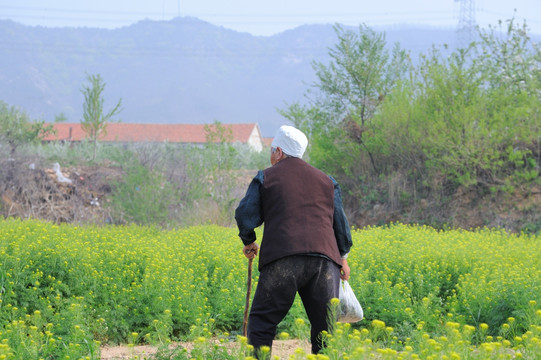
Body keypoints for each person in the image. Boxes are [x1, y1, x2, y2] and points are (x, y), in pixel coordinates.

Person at [235, 125, 353, 357]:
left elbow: (244, 215)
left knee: (262, 322)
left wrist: (249, 241)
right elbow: (340, 224)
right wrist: (344, 259)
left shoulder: (266, 177)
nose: (270, 156)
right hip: (325, 262)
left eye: (271, 151)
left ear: (278, 151)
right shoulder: (327, 181)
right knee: (325, 329)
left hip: (282, 257)